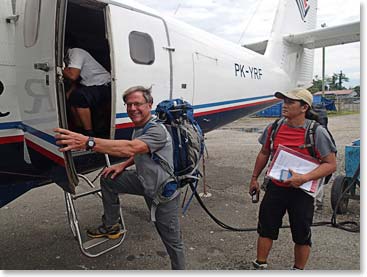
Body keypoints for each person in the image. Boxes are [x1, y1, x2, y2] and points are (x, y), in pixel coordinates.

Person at [54, 86, 185, 270]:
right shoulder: (141, 127)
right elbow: (140, 151)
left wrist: (87, 142)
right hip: (142, 180)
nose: (132, 108)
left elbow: (131, 147)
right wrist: (123, 165)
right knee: (109, 179)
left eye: (137, 103)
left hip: (161, 190)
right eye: (128, 104)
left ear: (149, 105)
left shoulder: (157, 130)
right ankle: (111, 225)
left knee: (172, 240)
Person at [248, 88, 337, 270]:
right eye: (284, 101)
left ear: (304, 107)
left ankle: (298, 270)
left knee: (301, 233)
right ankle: (260, 265)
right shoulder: (274, 127)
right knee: (266, 228)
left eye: (290, 102)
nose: (285, 105)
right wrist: (254, 178)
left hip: (302, 192)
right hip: (276, 187)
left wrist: (304, 178)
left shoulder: (317, 132)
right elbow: (264, 152)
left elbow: (331, 164)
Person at [63, 37, 111, 136]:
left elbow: (73, 75)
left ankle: (89, 134)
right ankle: (79, 131)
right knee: (72, 97)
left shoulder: (75, 52)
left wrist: (58, 68)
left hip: (104, 85)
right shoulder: (68, 58)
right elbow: (75, 81)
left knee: (79, 96)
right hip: (91, 85)